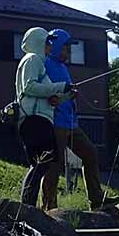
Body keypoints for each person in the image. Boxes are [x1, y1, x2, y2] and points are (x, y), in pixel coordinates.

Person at [42, 29, 112, 210]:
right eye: (66, 47)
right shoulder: (45, 64)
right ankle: (50, 208)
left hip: (71, 123)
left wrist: (71, 94)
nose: (70, 52)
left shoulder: (63, 67)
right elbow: (46, 93)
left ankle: (97, 201)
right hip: (55, 123)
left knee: (90, 153)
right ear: (56, 46)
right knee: (54, 165)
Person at [14, 27, 74, 209]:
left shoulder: (39, 63)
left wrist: (67, 94)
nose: (50, 45)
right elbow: (29, 87)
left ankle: (29, 207)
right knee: (40, 162)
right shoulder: (31, 60)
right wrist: (60, 85)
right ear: (38, 42)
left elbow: (49, 97)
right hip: (33, 119)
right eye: (48, 41)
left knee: (45, 162)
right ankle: (27, 207)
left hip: (41, 119)